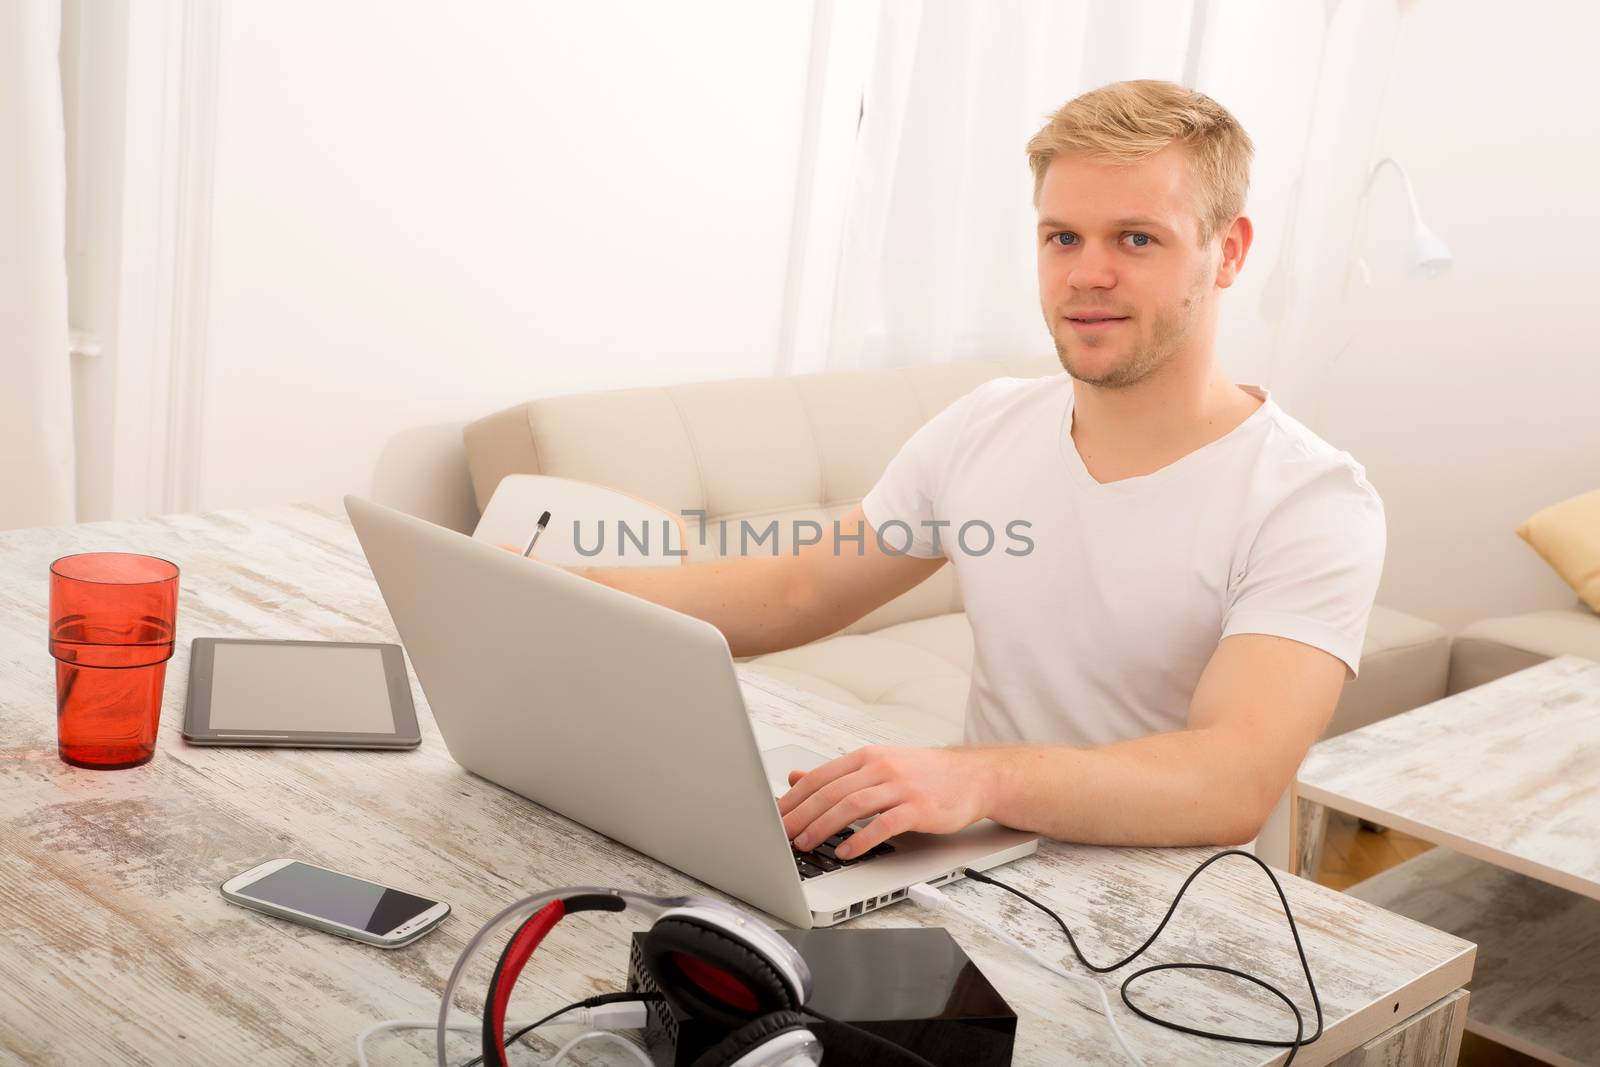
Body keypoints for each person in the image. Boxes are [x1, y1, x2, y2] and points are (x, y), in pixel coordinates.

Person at [531, 80, 1385, 862]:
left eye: (1136, 238)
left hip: (1176, 914)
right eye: (1062, 237)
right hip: (975, 864)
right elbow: (796, 590)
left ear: (1227, 252)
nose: (1087, 273)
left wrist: (975, 777)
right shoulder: (987, 424)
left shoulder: (1312, 500)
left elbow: (1228, 779)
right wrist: (550, 595)